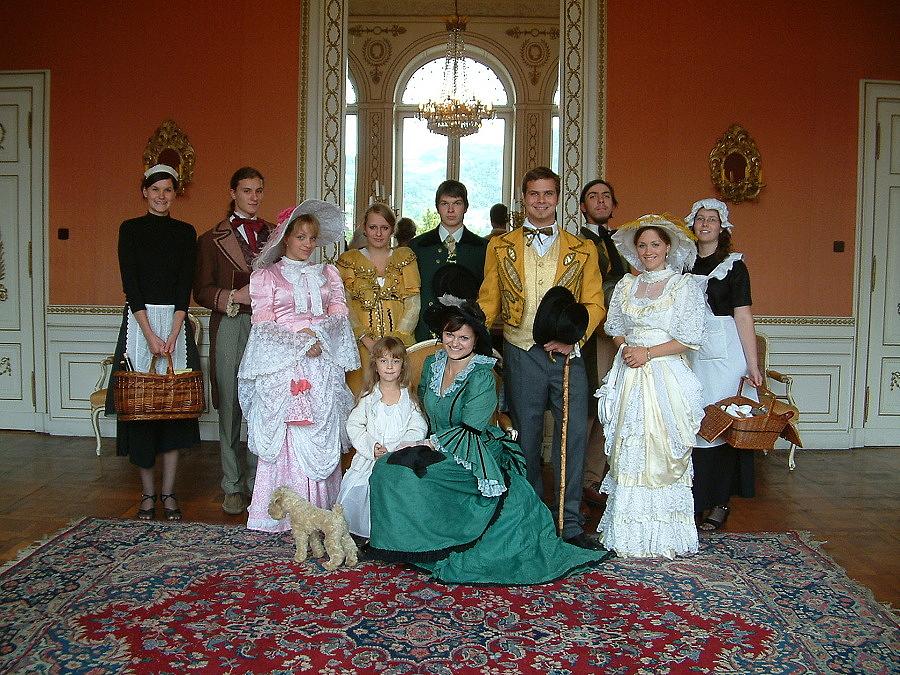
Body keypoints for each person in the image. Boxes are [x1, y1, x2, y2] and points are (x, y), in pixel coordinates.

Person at [368, 298, 612, 584]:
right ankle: (408, 544)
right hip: (432, 443)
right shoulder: (433, 364)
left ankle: (440, 544)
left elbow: (471, 427)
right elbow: (421, 410)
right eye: (450, 335)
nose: (455, 343)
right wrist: (412, 440)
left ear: (475, 340)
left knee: (409, 475)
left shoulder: (481, 373)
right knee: (386, 469)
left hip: (474, 449)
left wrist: (430, 445)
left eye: (463, 337)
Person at [478, 166, 606, 550]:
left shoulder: (583, 249)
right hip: (520, 352)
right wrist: (467, 336)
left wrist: (574, 339)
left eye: (548, 194)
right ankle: (532, 518)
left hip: (568, 356)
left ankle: (569, 523)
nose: (541, 201)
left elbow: (594, 303)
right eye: (534, 194)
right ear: (523, 198)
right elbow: (489, 300)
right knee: (526, 438)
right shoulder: (499, 247)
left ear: (558, 198)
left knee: (573, 437)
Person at [237, 201, 360, 532]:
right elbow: (264, 325)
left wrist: (319, 336)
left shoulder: (328, 274)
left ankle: (322, 511)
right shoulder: (266, 277)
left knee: (319, 427)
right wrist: (300, 339)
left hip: (321, 364)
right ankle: (281, 516)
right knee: (288, 431)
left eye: (312, 238)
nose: (307, 244)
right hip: (285, 365)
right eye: (301, 237)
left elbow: (339, 316)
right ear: (286, 237)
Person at [595, 214, 707, 558]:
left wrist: (648, 353)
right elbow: (615, 328)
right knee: (628, 447)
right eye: (642, 245)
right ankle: (628, 534)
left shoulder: (683, 286)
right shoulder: (627, 286)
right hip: (630, 372)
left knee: (661, 446)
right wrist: (626, 349)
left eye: (655, 244)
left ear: (668, 247)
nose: (648, 251)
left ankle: (666, 535)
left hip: (664, 375)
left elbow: (689, 338)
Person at [105, 164, 199, 521]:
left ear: (175, 194)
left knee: (174, 411)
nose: (162, 196)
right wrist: (150, 335)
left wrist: (173, 335)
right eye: (155, 189)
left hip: (175, 325)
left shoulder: (185, 232)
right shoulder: (129, 229)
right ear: (145, 192)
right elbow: (131, 286)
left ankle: (169, 493)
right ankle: (147, 495)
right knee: (140, 409)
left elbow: (184, 288)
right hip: (139, 324)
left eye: (168, 190)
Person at [194, 166, 273, 515]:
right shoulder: (210, 239)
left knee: (264, 402)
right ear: (233, 193)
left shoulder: (276, 235)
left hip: (268, 326)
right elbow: (201, 290)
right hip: (230, 322)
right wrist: (233, 296)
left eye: (258, 190)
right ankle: (232, 484)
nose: (254, 197)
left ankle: (259, 481)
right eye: (247, 190)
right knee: (229, 401)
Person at [685, 198, 763, 531]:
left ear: (722, 227)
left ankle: (719, 502)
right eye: (700, 218)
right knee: (694, 424)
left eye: (712, 220)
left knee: (722, 424)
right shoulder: (682, 263)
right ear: (692, 224)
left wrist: (753, 365)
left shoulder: (734, 266)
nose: (705, 224)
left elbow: (743, 316)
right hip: (689, 351)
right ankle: (693, 500)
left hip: (726, 354)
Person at [337, 336, 427, 539]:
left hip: (398, 459)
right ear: (375, 365)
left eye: (395, 361)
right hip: (371, 459)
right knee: (360, 488)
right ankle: (364, 534)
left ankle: (392, 534)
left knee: (400, 491)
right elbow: (354, 425)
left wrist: (399, 448)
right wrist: (371, 446)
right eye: (383, 361)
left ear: (402, 366)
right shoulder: (369, 397)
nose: (389, 366)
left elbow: (418, 427)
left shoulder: (408, 398)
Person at [578, 179, 630, 506]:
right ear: (583, 206)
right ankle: (579, 482)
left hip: (619, 335)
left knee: (609, 405)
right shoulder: (575, 242)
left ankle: (596, 478)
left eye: (606, 196)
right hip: (590, 334)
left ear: (613, 204)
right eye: (593, 197)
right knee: (588, 406)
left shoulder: (624, 243)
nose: (600, 201)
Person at [336, 204, 420, 392]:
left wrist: (395, 342)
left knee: (399, 395)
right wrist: (365, 339)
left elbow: (413, 303)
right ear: (364, 228)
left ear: (392, 229)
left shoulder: (405, 257)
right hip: (362, 347)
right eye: (373, 227)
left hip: (400, 346)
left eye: (384, 227)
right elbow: (344, 305)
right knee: (362, 396)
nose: (379, 233)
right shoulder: (349, 261)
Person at [408, 180, 488, 342]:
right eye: (445, 204)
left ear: (466, 207)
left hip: (467, 335)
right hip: (425, 332)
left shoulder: (483, 248)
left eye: (457, 203)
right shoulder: (418, 246)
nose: (450, 210)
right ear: (437, 207)